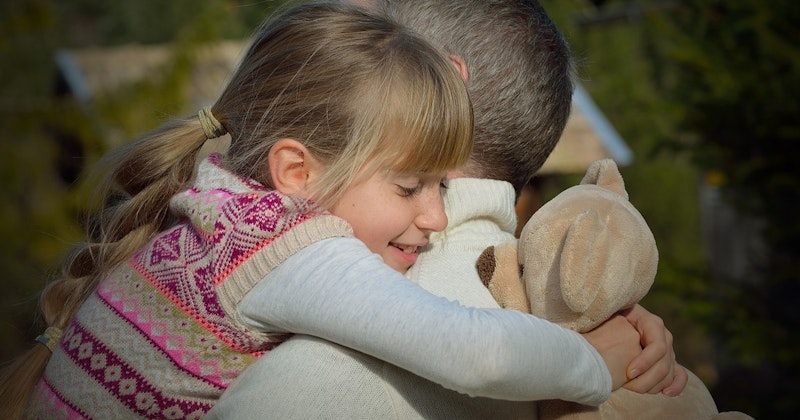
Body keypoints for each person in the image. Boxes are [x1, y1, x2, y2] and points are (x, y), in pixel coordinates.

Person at [0, 3, 643, 419]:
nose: (437, 218)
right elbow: (477, 354)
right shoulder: (293, 252)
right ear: (298, 173)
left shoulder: (218, 197)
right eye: (410, 187)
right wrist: (592, 367)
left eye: (440, 188)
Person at [208, 0, 688, 418]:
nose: (433, 217)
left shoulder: (309, 379)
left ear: (445, 82)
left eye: (373, 34)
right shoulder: (303, 283)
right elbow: (478, 351)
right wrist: (596, 347)